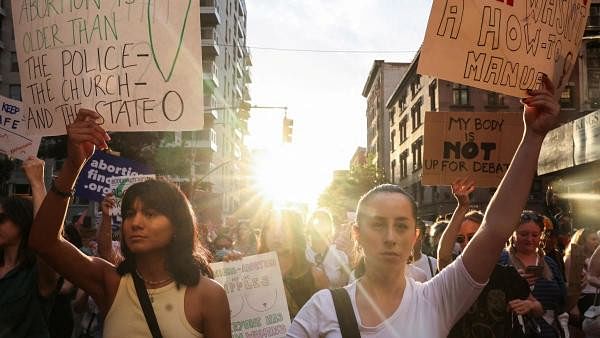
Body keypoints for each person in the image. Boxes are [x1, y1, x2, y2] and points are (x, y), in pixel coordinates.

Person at [287, 74, 561, 337]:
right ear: (357, 233)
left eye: (401, 225)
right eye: (378, 224)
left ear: (415, 236)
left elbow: (496, 228)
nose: (390, 237)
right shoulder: (323, 309)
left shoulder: (436, 299)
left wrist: (533, 137)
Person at [28, 109, 231, 338]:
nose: (135, 222)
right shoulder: (110, 282)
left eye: (151, 214)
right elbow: (43, 242)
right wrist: (73, 165)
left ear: (178, 225)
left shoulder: (209, 296)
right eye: (129, 213)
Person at [439, 178, 543, 338]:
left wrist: (529, 305)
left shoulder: (506, 275)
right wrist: (462, 207)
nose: (466, 243)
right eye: (460, 239)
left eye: (472, 237)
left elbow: (538, 307)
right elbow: (444, 256)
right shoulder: (455, 274)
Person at [1, 157, 58, 338]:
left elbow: (47, 243)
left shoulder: (37, 274)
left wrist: (37, 183)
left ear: (22, 222)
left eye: (1, 220)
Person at [499, 210, 567, 338]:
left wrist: (537, 306)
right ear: (513, 234)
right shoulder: (501, 261)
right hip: (511, 331)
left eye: (535, 235)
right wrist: (513, 284)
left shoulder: (549, 263)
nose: (530, 239)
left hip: (547, 332)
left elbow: (562, 301)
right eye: (524, 234)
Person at [257, 208, 329, 318]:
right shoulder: (253, 274)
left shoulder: (316, 276)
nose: (276, 234)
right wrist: (232, 266)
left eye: (283, 228)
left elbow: (328, 319)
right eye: (270, 228)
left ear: (296, 234)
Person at [305, 209, 350, 287]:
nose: (318, 229)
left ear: (329, 228)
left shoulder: (339, 254)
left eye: (324, 224)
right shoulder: (303, 255)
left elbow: (344, 289)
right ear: (309, 227)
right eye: (315, 224)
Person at [565, 228, 600, 323]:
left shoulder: (597, 261)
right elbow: (569, 283)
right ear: (583, 240)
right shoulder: (572, 258)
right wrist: (574, 307)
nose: (597, 242)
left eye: (598, 239)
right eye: (593, 239)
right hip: (584, 300)